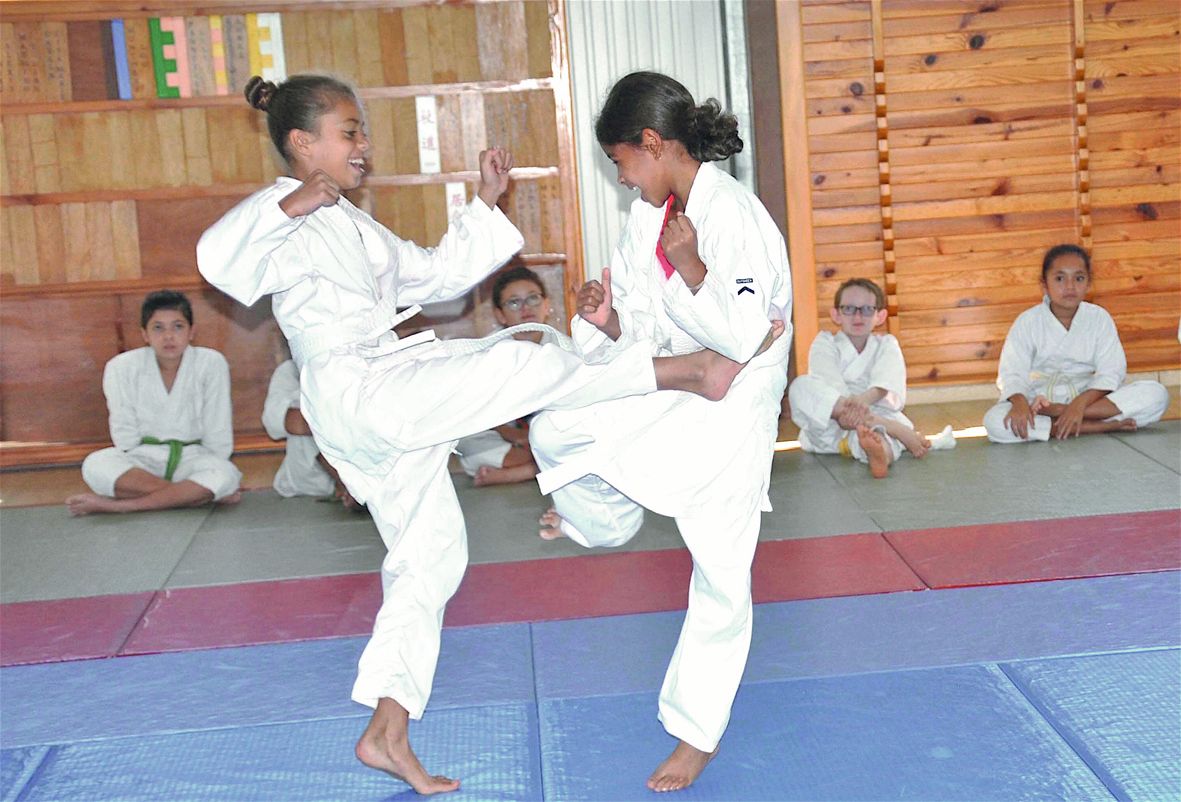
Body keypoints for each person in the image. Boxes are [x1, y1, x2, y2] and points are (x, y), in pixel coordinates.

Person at [196, 74, 779, 796]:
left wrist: (485, 204)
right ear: (300, 143)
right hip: (365, 393)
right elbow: (217, 261)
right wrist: (294, 200)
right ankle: (686, 372)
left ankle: (387, 728)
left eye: (360, 132)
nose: (363, 148)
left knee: (430, 557)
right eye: (349, 133)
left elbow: (435, 277)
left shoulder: (355, 224)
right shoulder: (277, 215)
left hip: (385, 409)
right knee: (523, 363)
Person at [526, 71, 790, 792]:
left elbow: (745, 334)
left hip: (734, 395)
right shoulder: (645, 216)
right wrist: (608, 321)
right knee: (557, 423)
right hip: (676, 372)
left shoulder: (732, 214)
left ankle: (694, 732)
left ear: (651, 143)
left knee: (721, 571)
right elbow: (639, 321)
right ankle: (599, 518)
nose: (621, 180)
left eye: (620, 163)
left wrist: (693, 265)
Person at [66, 290, 242, 515]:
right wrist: (206, 490)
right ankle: (188, 497)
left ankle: (120, 506)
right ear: (145, 334)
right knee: (96, 464)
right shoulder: (121, 367)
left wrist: (215, 472)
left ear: (192, 332)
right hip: (142, 462)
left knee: (224, 474)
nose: (168, 336)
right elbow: (125, 437)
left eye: (178, 327)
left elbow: (218, 431)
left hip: (194, 460)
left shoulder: (211, 363)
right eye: (158, 328)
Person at [984, 243, 1169, 443]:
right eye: (1060, 278)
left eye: (1079, 278)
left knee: (1156, 394)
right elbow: (1012, 373)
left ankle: (1061, 418)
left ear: (1088, 283)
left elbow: (1112, 372)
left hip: (1087, 396)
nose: (1070, 286)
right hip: (1039, 401)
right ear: (1044, 284)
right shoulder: (1027, 322)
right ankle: (1095, 426)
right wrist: (1020, 404)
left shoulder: (1099, 318)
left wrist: (1076, 406)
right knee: (994, 421)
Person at [788, 278, 954, 478]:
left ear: (880, 316)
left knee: (877, 438)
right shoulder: (825, 342)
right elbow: (827, 381)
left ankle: (879, 454)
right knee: (800, 386)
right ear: (836, 314)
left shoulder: (887, 344)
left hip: (874, 412)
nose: (858, 315)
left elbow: (884, 385)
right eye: (849, 308)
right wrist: (851, 412)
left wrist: (859, 408)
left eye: (867, 309)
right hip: (832, 423)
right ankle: (890, 428)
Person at [453, 265, 570, 487]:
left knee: (578, 438)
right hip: (505, 435)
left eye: (533, 299)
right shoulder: (488, 353)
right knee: (467, 443)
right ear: (500, 315)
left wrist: (536, 435)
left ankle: (519, 472)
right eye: (514, 302)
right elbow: (475, 411)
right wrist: (513, 435)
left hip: (551, 432)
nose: (526, 308)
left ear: (546, 305)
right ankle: (540, 468)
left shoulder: (566, 350)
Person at [262, 358, 361, 509]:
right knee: (312, 417)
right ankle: (353, 486)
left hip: (362, 459)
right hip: (308, 480)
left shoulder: (365, 364)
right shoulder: (291, 369)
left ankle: (357, 487)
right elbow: (282, 423)